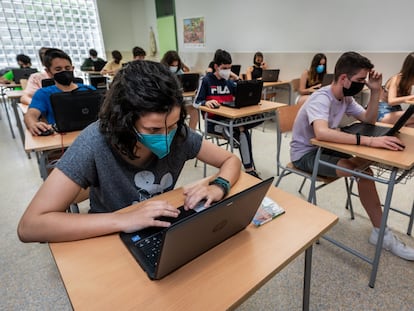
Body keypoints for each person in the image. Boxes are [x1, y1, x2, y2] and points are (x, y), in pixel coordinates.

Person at [17, 60, 241, 243]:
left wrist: (218, 187)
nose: (166, 136)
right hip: (106, 235)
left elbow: (230, 159)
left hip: (156, 229)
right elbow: (30, 226)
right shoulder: (94, 141)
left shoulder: (180, 134)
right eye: (152, 129)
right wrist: (124, 220)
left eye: (172, 125)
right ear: (123, 120)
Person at [290, 51, 414, 261]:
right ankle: (382, 234)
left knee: (366, 166)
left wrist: (375, 92)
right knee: (363, 170)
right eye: (359, 80)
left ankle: (379, 230)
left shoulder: (345, 98)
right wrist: (369, 141)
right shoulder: (321, 98)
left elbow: (369, 120)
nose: (362, 84)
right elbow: (321, 132)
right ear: (344, 78)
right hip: (305, 153)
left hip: (324, 147)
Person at [195, 49, 261, 178]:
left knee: (254, 120)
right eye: (224, 68)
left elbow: (244, 94)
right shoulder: (206, 80)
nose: (227, 71)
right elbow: (195, 102)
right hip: (213, 123)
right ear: (216, 66)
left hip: (231, 119)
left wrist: (237, 79)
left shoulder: (229, 82)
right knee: (242, 131)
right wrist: (204, 103)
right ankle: (250, 170)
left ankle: (236, 135)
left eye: (229, 68)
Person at [24, 49, 95, 136]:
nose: (64, 71)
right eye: (58, 69)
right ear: (48, 72)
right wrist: (33, 124)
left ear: (72, 69)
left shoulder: (89, 90)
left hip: (91, 135)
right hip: (60, 140)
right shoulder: (43, 93)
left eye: (67, 68)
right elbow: (31, 114)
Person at [160, 50, 197, 129]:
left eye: (176, 65)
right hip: (167, 105)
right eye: (172, 65)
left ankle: (191, 134)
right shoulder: (161, 73)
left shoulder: (179, 71)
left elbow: (185, 79)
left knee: (194, 111)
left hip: (179, 103)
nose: (174, 67)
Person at [377, 52, 414, 127]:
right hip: (382, 111)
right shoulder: (396, 78)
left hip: (395, 111)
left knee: (412, 126)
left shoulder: (410, 81)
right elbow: (391, 101)